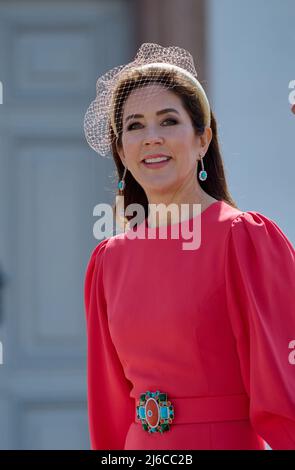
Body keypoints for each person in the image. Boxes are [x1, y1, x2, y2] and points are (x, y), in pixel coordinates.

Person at [83, 43, 295, 450]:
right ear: (121, 149)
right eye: (135, 126)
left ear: (203, 139)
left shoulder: (243, 238)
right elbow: (109, 407)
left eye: (168, 121)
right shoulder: (108, 261)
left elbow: (285, 388)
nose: (152, 138)